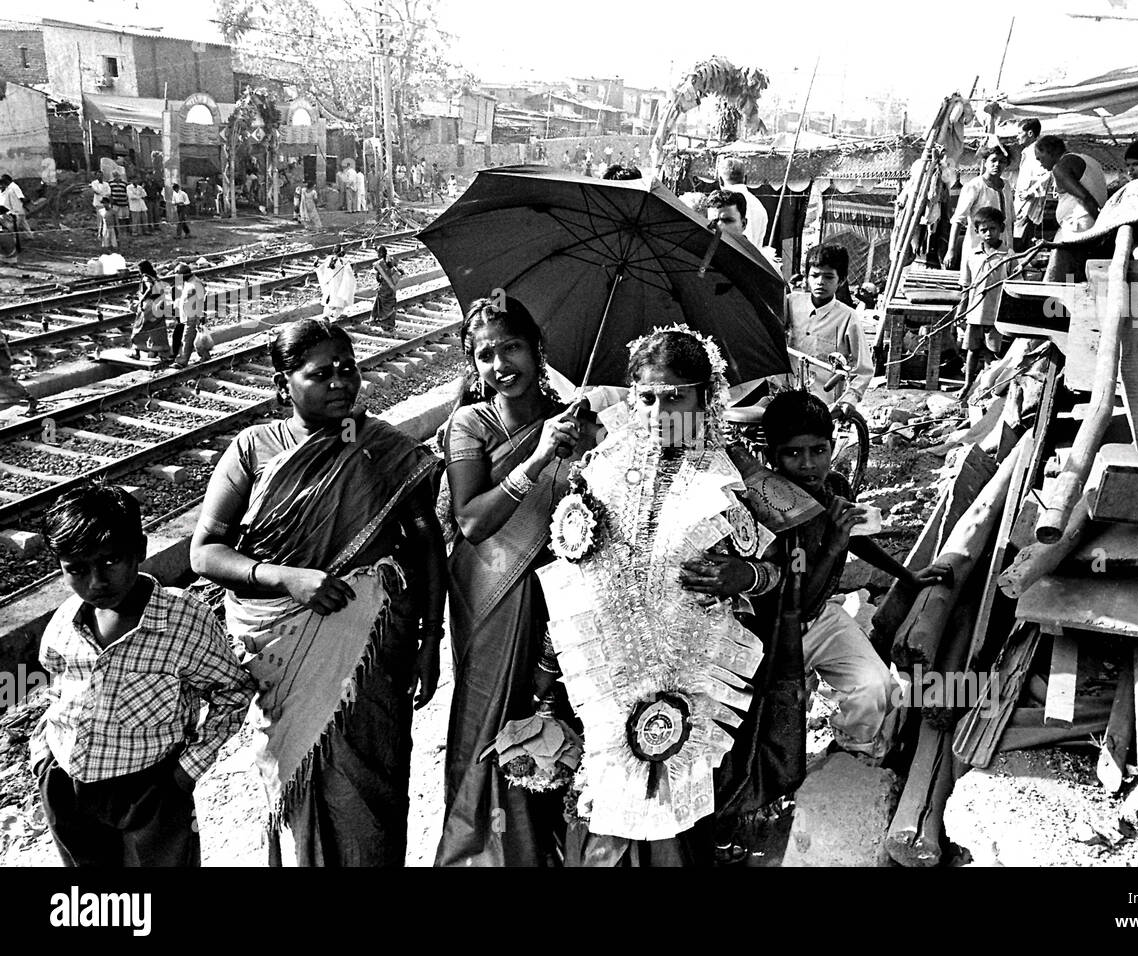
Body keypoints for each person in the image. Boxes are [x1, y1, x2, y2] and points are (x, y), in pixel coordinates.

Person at [190, 319, 444, 866]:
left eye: (348, 370)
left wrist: (430, 640)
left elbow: (428, 544)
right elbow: (205, 551)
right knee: (294, 776)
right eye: (320, 374)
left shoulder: (383, 448)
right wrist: (284, 578)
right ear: (284, 386)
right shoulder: (254, 448)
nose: (341, 384)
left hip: (370, 647)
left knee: (373, 782)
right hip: (280, 648)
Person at [538, 326, 785, 866]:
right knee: (607, 803)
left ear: (706, 398)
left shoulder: (734, 476)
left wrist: (745, 576)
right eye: (646, 398)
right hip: (612, 672)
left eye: (674, 399)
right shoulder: (601, 468)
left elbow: (780, 577)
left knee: (679, 803)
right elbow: (574, 578)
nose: (656, 412)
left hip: (689, 670)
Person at [435, 295, 600, 867]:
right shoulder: (469, 424)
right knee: (486, 722)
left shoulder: (576, 420)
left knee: (557, 718)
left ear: (538, 350)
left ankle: (549, 850)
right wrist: (536, 461)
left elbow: (601, 513)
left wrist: (583, 452)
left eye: (511, 348)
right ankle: (482, 853)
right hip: (491, 597)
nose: (500, 364)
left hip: (562, 600)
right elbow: (472, 521)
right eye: (485, 355)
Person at [29, 483, 254, 867]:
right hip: (68, 785)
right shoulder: (66, 619)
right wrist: (44, 755)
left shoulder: (184, 621)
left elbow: (232, 693)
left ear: (140, 550)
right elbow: (56, 685)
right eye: (77, 570)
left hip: (150, 789)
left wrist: (186, 772)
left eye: (109, 562)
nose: (96, 582)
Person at [761, 392, 950, 758]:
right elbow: (795, 599)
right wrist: (833, 545)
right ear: (772, 457)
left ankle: (850, 753)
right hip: (776, 632)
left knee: (875, 687)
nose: (807, 464)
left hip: (821, 617)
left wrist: (907, 576)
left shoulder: (833, 487)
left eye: (818, 450)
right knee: (778, 728)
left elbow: (857, 539)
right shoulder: (769, 508)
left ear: (832, 447)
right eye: (793, 453)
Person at [781, 243, 870, 412]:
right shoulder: (791, 303)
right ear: (806, 277)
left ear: (841, 280)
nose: (820, 282)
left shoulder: (848, 317)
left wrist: (849, 399)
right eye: (815, 275)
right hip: (786, 395)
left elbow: (864, 369)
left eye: (829, 277)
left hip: (824, 403)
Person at [957, 206, 1013, 403]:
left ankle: (987, 388)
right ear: (977, 232)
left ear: (1002, 229)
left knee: (992, 353)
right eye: (984, 230)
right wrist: (961, 310)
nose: (989, 233)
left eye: (993, 229)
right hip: (975, 312)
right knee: (972, 350)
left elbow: (1016, 282)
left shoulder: (1009, 255)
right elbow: (965, 284)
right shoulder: (972, 255)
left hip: (997, 314)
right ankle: (967, 384)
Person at [1034, 135, 1108, 282]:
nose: (1040, 164)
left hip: (1078, 228)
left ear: (1050, 152)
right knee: (1080, 273)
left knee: (1064, 277)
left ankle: (1058, 303)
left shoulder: (1060, 167)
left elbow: (1085, 198)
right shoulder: (1089, 160)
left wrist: (1101, 229)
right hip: (1088, 225)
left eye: (1040, 158)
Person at [944, 147, 1013, 271]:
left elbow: (1009, 221)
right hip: (977, 248)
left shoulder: (1006, 186)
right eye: (993, 160)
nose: (997, 164)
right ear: (985, 162)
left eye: (1002, 161)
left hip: (1002, 248)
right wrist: (951, 250)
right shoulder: (974, 186)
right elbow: (958, 220)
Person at [706, 189, 780, 271]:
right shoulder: (701, 258)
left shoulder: (757, 265)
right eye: (714, 222)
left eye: (727, 221)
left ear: (743, 224)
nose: (719, 226)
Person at [1012, 119, 1052, 252]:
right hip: (1022, 204)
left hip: (1027, 207)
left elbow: (1047, 174)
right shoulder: (1028, 152)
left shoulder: (1037, 151)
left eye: (1019, 133)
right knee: (1020, 241)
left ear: (1029, 133)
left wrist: (1030, 192)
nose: (1017, 137)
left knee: (1019, 243)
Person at [717, 157, 770, 249]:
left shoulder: (718, 206)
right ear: (745, 178)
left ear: (720, 180)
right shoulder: (759, 206)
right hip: (752, 260)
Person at [130, 261, 172, 362]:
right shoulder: (155, 277)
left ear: (143, 269)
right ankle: (163, 354)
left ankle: (136, 352)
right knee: (158, 329)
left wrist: (141, 300)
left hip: (150, 305)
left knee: (139, 328)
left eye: (139, 269)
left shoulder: (146, 278)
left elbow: (149, 288)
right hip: (159, 304)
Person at [170, 264, 211, 368]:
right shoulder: (188, 282)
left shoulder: (196, 283)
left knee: (187, 338)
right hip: (187, 315)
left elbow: (203, 300)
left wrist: (201, 314)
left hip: (194, 315)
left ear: (185, 275)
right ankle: (205, 356)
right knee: (195, 337)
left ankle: (181, 361)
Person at [316, 245, 357, 321]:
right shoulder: (342, 261)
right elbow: (349, 272)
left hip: (332, 283)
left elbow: (322, 268)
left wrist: (317, 266)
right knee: (339, 299)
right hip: (338, 284)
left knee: (330, 298)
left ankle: (327, 314)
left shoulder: (330, 259)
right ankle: (335, 314)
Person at [370, 246, 401, 330]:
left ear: (381, 254)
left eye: (378, 253)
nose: (377, 255)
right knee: (390, 305)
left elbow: (378, 278)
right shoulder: (390, 260)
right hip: (391, 288)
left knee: (382, 305)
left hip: (384, 288)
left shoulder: (379, 264)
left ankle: (381, 322)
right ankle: (390, 325)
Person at [90, 172, 117, 250]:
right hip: (98, 203)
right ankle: (100, 234)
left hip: (106, 203)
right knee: (100, 220)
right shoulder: (94, 183)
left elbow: (109, 192)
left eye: (101, 175)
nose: (100, 176)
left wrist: (103, 193)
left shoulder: (106, 184)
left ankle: (110, 237)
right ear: (96, 176)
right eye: (98, 175)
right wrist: (103, 193)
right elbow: (96, 191)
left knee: (108, 219)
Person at [110, 172, 131, 240]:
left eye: (117, 175)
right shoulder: (110, 183)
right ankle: (118, 231)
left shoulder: (124, 183)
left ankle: (126, 230)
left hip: (124, 202)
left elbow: (126, 192)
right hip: (115, 203)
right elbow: (110, 193)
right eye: (115, 176)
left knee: (125, 217)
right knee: (117, 218)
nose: (117, 177)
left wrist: (127, 201)